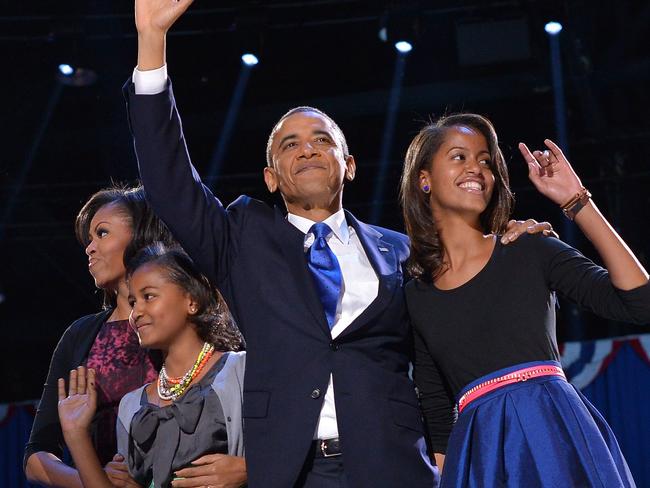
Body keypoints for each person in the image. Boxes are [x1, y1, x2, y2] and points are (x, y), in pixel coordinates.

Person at [124, 2, 550, 486]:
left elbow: (448, 343)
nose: (307, 148)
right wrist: (151, 39)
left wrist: (515, 246)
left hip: (395, 466)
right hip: (292, 469)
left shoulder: (405, 252)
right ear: (270, 177)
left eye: (322, 140)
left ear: (348, 165)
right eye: (290, 144)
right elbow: (168, 180)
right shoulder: (239, 239)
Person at [400, 113, 650, 487]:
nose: (477, 169)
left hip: (556, 434)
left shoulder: (530, 248)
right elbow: (436, 410)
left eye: (485, 161)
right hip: (481, 455)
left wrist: (576, 202)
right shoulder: (415, 295)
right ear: (424, 179)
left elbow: (639, 303)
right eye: (459, 157)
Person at [57, 243, 246, 488]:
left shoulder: (240, 371)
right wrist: (76, 435)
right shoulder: (131, 406)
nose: (136, 313)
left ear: (192, 301)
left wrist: (250, 469)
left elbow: (300, 450)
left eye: (149, 296)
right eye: (133, 302)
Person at [25, 185, 175, 487]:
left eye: (102, 233)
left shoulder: (185, 320)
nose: (89, 248)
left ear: (141, 236)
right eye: (88, 239)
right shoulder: (79, 336)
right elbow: (36, 454)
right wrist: (92, 478)